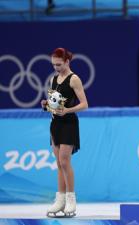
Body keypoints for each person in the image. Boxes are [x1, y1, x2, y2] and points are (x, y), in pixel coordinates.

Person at [41, 47, 88, 217]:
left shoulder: (74, 79)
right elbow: (56, 105)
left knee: (65, 160)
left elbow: (84, 104)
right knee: (59, 163)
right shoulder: (54, 79)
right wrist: (47, 105)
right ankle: (59, 200)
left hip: (69, 123)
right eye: (54, 65)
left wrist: (67, 111)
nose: (56, 68)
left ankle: (71, 200)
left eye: (59, 64)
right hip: (56, 124)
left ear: (67, 61)